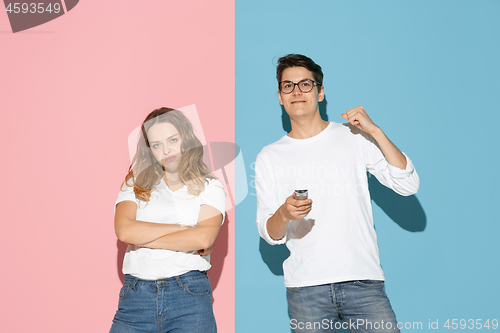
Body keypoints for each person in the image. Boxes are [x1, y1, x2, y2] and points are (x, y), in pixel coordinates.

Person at [255, 54, 420, 333]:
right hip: (305, 289)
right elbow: (269, 233)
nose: (296, 91)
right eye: (288, 86)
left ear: (321, 92)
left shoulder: (353, 136)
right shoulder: (269, 156)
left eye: (305, 84)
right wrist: (284, 213)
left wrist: (376, 132)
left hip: (363, 280)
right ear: (280, 98)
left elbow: (407, 184)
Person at [110, 107, 225, 333]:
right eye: (156, 145)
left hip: (189, 296)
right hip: (136, 298)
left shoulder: (211, 186)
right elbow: (124, 231)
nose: (166, 150)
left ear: (186, 139)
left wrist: (141, 236)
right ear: (149, 150)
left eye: (172, 139)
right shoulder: (134, 184)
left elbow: (203, 237)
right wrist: (182, 230)